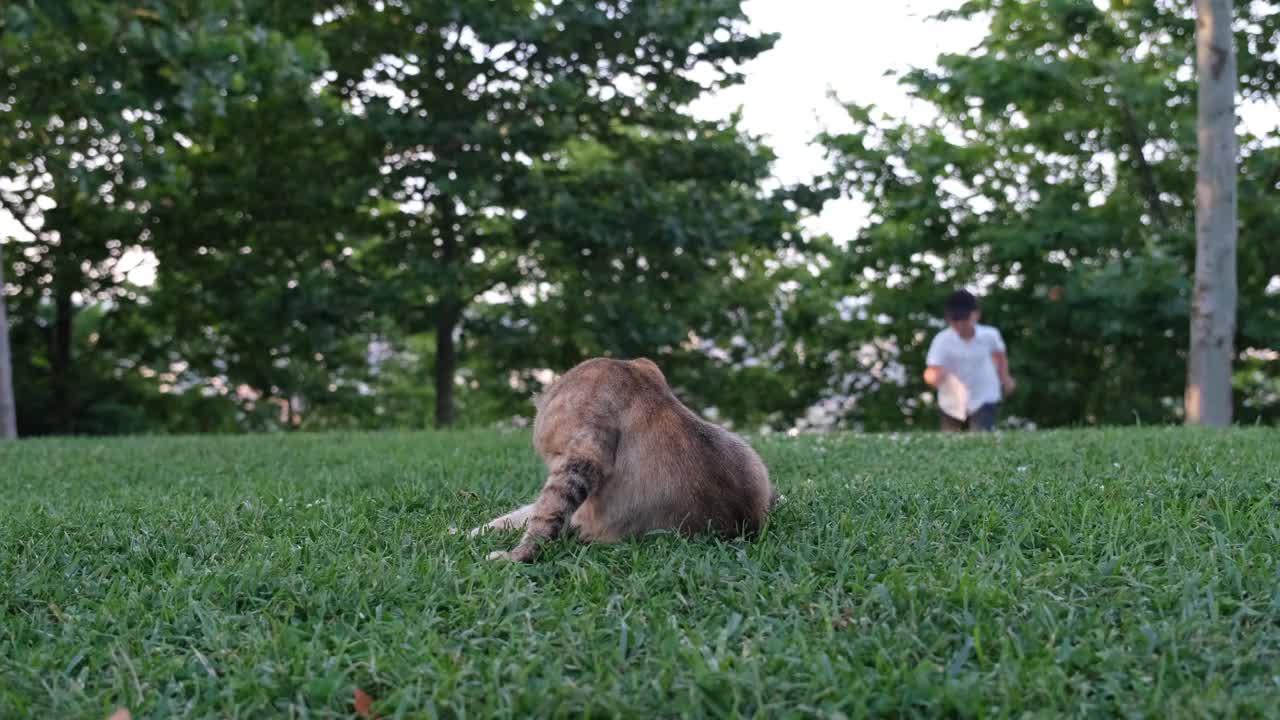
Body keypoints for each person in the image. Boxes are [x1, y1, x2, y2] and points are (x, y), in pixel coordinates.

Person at [922, 290, 1016, 432]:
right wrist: (934, 377)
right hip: (951, 402)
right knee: (949, 444)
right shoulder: (942, 341)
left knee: (981, 441)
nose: (959, 325)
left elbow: (1000, 356)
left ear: (976, 315)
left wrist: (1005, 377)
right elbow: (931, 371)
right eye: (955, 321)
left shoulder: (990, 335)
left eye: (963, 319)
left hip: (984, 396)